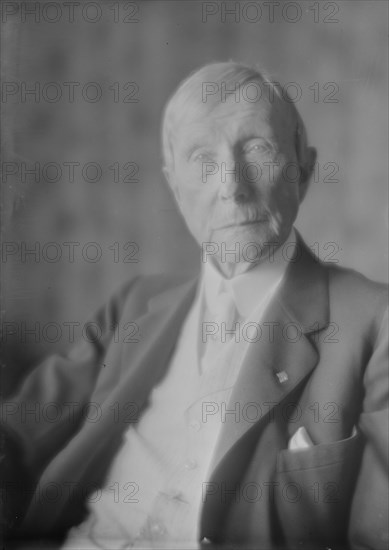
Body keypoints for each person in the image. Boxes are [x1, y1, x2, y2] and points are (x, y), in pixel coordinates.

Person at [2, 62, 388, 550]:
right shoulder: (134, 306)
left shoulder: (375, 324)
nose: (231, 184)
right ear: (174, 184)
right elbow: (16, 434)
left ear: (305, 170)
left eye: (257, 148)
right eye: (202, 158)